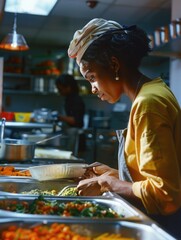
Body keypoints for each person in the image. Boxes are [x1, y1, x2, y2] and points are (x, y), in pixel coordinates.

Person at [68, 18, 181, 238]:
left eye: (91, 77)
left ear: (114, 65)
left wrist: (108, 183)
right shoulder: (155, 91)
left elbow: (165, 196)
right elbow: (155, 174)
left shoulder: (148, 103)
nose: (92, 88)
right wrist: (115, 174)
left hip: (162, 228)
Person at [55, 74, 86, 155]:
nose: (59, 92)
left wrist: (58, 117)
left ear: (68, 87)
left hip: (77, 138)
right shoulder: (68, 98)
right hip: (71, 135)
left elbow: (75, 120)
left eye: (60, 89)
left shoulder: (76, 100)